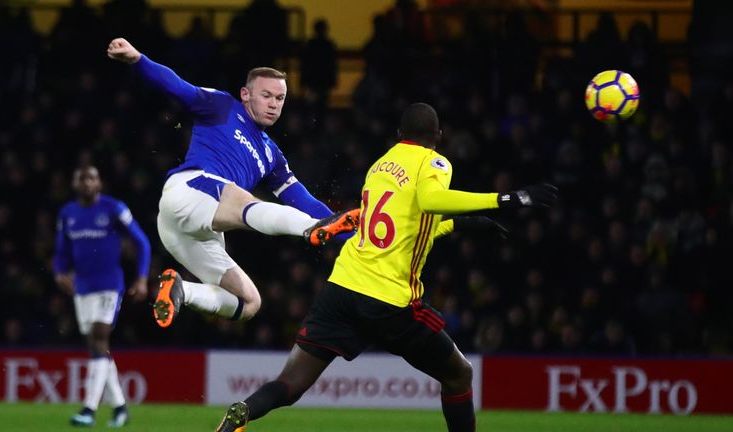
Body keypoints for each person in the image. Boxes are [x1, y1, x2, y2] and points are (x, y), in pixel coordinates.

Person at [215, 103, 558, 432]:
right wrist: (507, 199)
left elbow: (404, 226)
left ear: (398, 134)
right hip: (388, 301)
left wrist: (458, 224)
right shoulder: (433, 163)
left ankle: (244, 411)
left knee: (290, 383)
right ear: (438, 135)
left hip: (342, 289)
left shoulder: (380, 166)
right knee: (459, 375)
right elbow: (430, 200)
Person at [106, 38, 358, 329]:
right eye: (266, 95)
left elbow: (304, 201)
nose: (274, 104)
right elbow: (177, 86)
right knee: (246, 202)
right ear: (245, 94)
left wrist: (351, 239)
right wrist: (138, 59)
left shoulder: (272, 155)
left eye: (280, 99)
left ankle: (181, 290)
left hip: (184, 233)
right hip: (189, 189)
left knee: (249, 302)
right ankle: (309, 231)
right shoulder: (222, 105)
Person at [53, 165, 151, 427]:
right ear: (75, 184)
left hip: (109, 285)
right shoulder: (67, 214)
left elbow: (142, 241)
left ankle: (89, 409)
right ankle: (120, 408)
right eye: (82, 178)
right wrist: (59, 272)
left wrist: (141, 278)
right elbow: (61, 249)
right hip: (81, 288)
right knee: (98, 348)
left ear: (99, 183)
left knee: (99, 338)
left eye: (92, 178)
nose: (87, 183)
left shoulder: (114, 208)